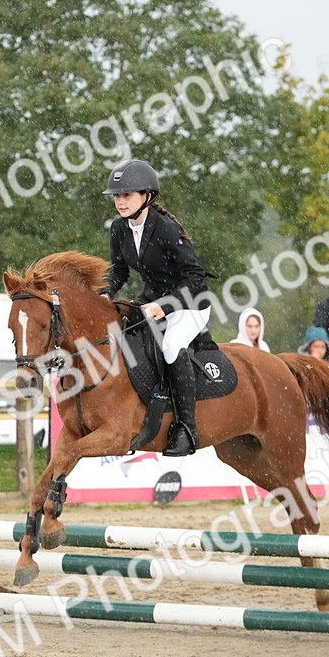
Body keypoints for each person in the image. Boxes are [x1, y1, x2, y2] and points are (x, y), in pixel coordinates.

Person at [102, 159, 213, 457]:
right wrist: (105, 293)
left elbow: (195, 277)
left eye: (127, 195)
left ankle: (187, 428)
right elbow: (119, 270)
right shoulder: (119, 229)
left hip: (189, 304)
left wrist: (166, 306)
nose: (120, 201)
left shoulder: (165, 228)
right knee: (120, 333)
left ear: (147, 196)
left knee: (171, 346)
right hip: (151, 299)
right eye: (116, 195)